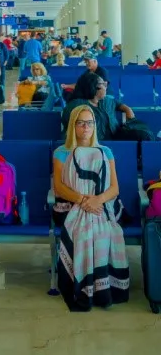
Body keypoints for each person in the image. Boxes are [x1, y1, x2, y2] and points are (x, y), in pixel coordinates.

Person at [52, 104, 129, 311]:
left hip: (100, 205)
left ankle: (102, 287)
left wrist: (97, 200)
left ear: (95, 126)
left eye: (90, 123)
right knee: (84, 232)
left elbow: (114, 188)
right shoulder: (61, 152)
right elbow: (59, 188)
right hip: (71, 207)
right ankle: (84, 285)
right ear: (73, 126)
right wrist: (84, 201)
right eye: (81, 123)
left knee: (103, 230)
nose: (86, 127)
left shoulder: (105, 151)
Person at [61, 72, 134, 139]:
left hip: (114, 142)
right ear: (94, 87)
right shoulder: (75, 106)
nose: (106, 88)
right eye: (104, 84)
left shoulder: (106, 100)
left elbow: (119, 105)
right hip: (88, 146)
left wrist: (128, 110)